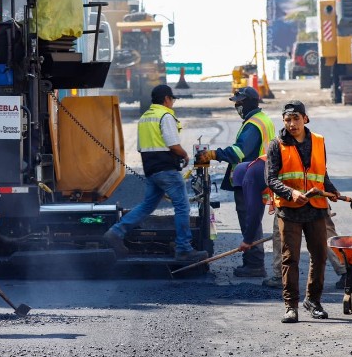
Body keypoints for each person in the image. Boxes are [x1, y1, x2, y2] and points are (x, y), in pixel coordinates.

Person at [103, 84, 207, 262]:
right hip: (167, 170)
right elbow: (173, 144)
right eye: (172, 99)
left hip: (151, 170)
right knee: (182, 206)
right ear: (166, 99)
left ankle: (116, 231)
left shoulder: (145, 117)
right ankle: (183, 249)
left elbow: (140, 147)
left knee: (147, 206)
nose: (172, 102)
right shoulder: (165, 116)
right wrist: (185, 155)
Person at [266, 100, 341, 323]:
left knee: (319, 257)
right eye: (287, 119)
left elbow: (322, 173)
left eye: (296, 118)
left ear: (305, 119)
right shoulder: (276, 145)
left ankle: (313, 301)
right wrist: (290, 193)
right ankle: (291, 306)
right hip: (289, 211)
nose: (292, 124)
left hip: (316, 209)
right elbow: (270, 179)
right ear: (283, 121)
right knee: (290, 259)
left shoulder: (318, 141)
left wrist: (331, 189)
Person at [195, 87, 274, 278]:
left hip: (250, 181)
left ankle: (254, 265)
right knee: (252, 221)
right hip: (256, 177)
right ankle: (252, 263)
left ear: (247, 103)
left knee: (250, 222)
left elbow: (238, 152)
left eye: (239, 103)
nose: (237, 106)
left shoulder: (253, 124)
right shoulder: (260, 120)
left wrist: (214, 154)